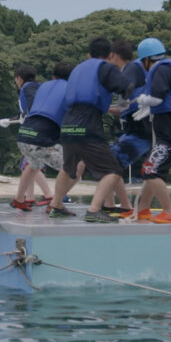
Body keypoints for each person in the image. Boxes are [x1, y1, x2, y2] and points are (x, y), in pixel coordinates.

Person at [49, 37, 134, 222]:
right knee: (112, 171)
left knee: (68, 169)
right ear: (111, 54)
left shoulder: (78, 69)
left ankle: (56, 205)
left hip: (68, 125)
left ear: (89, 54)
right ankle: (94, 210)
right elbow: (125, 87)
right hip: (88, 124)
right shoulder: (106, 67)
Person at [132, 37, 171, 224]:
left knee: (150, 170)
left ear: (146, 59)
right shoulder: (167, 67)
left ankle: (169, 211)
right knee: (153, 170)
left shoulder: (160, 69)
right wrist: (146, 108)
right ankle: (143, 210)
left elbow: (158, 98)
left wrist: (143, 100)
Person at [12, 62, 73, 211]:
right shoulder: (68, 90)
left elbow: (35, 108)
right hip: (39, 138)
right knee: (72, 167)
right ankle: (55, 203)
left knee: (33, 165)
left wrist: (22, 116)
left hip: (24, 135)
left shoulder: (41, 87)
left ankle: (19, 200)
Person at [104, 39, 153, 219]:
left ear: (114, 56)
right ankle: (119, 206)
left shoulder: (131, 68)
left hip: (139, 132)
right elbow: (124, 109)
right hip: (133, 130)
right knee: (111, 163)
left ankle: (110, 206)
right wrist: (105, 108)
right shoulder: (131, 70)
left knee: (109, 164)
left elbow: (128, 90)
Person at [10, 64, 53, 209]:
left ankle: (48, 195)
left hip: (34, 129)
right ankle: (29, 197)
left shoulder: (28, 87)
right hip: (36, 127)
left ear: (19, 78)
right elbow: (25, 110)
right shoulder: (36, 86)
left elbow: (34, 107)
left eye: (15, 79)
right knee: (27, 164)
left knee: (31, 163)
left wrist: (28, 118)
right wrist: (12, 119)